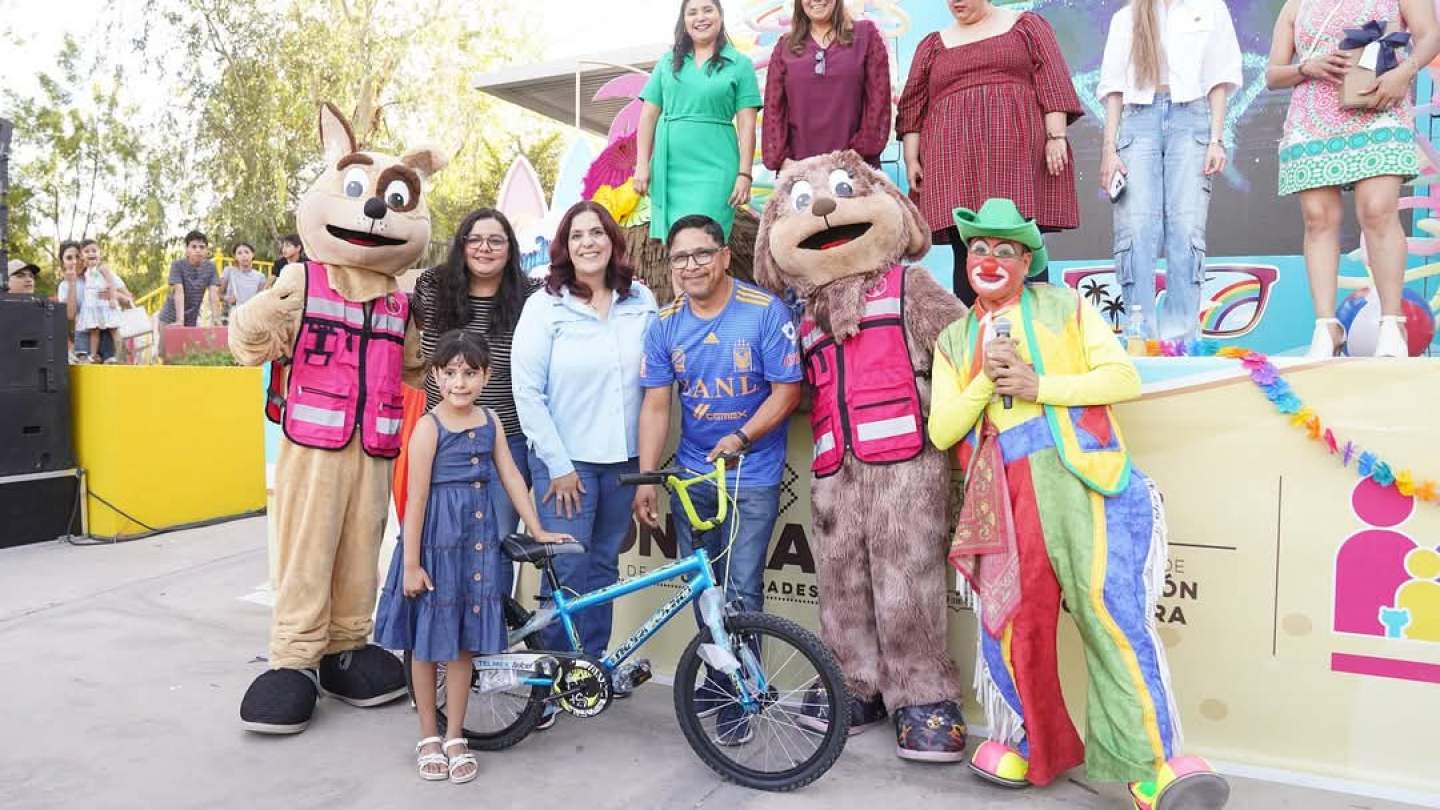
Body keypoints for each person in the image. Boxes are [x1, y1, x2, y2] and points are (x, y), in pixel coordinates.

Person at [929, 198, 1228, 809]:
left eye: (1003, 249)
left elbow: (1122, 379)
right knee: (1014, 626)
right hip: (1003, 495)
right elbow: (942, 430)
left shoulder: (1067, 307)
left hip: (1084, 481)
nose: (988, 259)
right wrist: (988, 378)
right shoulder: (954, 338)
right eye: (978, 248)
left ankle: (1152, 764)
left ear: (1027, 259)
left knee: (1110, 616)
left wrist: (1041, 387)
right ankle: (1033, 746)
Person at [374, 330, 573, 784]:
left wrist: (537, 527)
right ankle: (429, 733)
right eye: (450, 373)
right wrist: (410, 563)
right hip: (434, 542)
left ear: (486, 376)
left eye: (470, 373)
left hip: (477, 541)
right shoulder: (428, 427)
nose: (460, 382)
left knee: (463, 644)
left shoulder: (492, 421)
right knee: (426, 644)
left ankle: (456, 733)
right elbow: (417, 498)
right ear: (436, 376)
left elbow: (512, 478)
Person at [634, 214, 803, 745]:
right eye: (681, 257)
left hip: (750, 476)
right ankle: (717, 676)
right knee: (701, 590)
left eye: (702, 254)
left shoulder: (764, 312)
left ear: (725, 256)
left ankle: (741, 696)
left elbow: (787, 391)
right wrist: (646, 479)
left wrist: (744, 437)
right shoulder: (663, 324)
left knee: (742, 590)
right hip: (691, 478)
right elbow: (657, 406)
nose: (691, 266)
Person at [511, 201, 659, 659]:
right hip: (565, 463)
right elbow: (528, 393)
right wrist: (557, 466)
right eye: (577, 236)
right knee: (567, 570)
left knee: (602, 569)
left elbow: (654, 383)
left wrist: (646, 473)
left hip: (622, 462)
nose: (588, 243)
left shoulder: (642, 299)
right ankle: (555, 671)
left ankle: (588, 669)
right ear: (564, 247)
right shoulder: (544, 305)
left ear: (613, 241)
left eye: (596, 233)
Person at [1267, 0, 1439, 357]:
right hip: (1312, 117)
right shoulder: (1297, 4)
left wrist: (1403, 72)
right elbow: (1273, 74)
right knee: (1318, 220)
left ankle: (1392, 325)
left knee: (1377, 211)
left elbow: (1430, 35)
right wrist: (1306, 67)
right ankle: (1325, 327)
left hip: (1379, 106)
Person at [896, 0, 1083, 306]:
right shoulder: (932, 45)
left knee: (1021, 239)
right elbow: (913, 106)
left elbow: (1053, 81)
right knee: (967, 246)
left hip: (1015, 154)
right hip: (952, 160)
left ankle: (1035, 333)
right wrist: (911, 158)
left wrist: (1056, 136)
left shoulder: (1026, 26)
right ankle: (974, 338)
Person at [1098, 0, 1243, 341]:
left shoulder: (1209, 9)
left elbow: (1219, 78)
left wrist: (1216, 139)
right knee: (1136, 230)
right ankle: (1140, 335)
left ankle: (1182, 338)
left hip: (1191, 118)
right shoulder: (1128, 16)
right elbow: (1113, 89)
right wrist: (1109, 150)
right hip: (1138, 120)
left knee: (1185, 227)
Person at [413, 209, 542, 563]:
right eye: (475, 239)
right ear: (462, 244)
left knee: (495, 542)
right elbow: (415, 352)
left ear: (510, 248)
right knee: (438, 538)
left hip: (506, 436)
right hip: (441, 437)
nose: (485, 248)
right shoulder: (431, 287)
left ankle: (492, 619)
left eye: (496, 240)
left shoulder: (533, 296)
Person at [635, 0, 762, 242]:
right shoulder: (667, 62)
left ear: (720, 15)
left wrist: (744, 174)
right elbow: (648, 116)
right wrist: (641, 164)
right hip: (670, 167)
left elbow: (747, 125)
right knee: (675, 244)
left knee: (707, 239)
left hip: (716, 169)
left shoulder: (741, 64)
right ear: (684, 20)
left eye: (707, 10)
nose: (700, 17)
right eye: (692, 12)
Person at [761, 0, 892, 170]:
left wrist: (858, 154)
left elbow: (879, 100)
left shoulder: (866, 35)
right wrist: (785, 164)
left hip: (856, 170)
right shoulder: (784, 47)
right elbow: (774, 110)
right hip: (800, 175)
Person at [76, 240, 132, 363]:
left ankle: (119, 354)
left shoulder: (102, 267)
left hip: (105, 305)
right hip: (93, 307)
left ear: (100, 253)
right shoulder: (87, 272)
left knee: (113, 329)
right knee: (94, 330)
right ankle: (93, 355)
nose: (91, 253)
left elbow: (111, 283)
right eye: (87, 251)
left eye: (94, 251)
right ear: (82, 256)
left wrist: (112, 298)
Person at [158, 230, 221, 328]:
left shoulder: (211, 267)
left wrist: (216, 319)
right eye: (194, 246)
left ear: (207, 251)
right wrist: (180, 321)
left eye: (202, 247)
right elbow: (178, 291)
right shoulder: (177, 265)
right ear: (187, 250)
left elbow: (214, 293)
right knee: (165, 344)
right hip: (170, 318)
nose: (198, 250)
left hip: (191, 319)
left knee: (191, 344)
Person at [53, 241, 90, 361]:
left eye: (77, 256)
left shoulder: (95, 276)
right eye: (69, 258)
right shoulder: (64, 286)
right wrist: (72, 283)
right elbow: (70, 315)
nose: (75, 261)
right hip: (84, 336)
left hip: (107, 332)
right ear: (63, 263)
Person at [221, 242, 268, 313]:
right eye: (239, 253)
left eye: (247, 252)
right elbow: (218, 293)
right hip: (232, 315)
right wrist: (227, 299)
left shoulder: (260, 276)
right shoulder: (229, 271)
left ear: (253, 254)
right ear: (235, 257)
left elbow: (261, 299)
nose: (244, 256)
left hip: (251, 315)